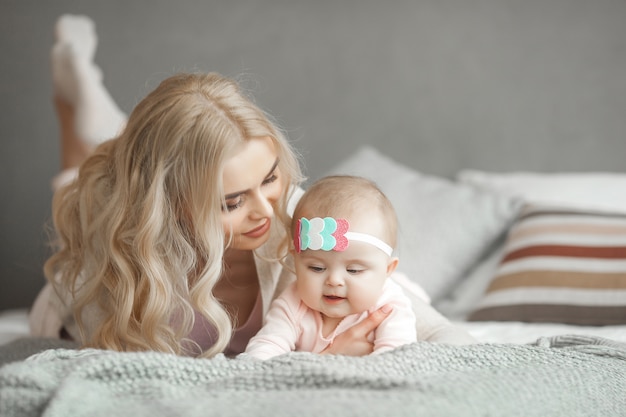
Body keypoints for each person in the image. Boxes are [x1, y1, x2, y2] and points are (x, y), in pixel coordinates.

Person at [28, 14, 404, 358]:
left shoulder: (294, 211)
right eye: (232, 202)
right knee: (80, 186)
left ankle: (98, 118)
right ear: (172, 205)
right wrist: (326, 357)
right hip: (95, 255)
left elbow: (402, 301)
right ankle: (75, 103)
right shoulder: (123, 266)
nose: (266, 210)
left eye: (270, 177)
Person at [245, 176, 419, 359]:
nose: (334, 280)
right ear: (296, 262)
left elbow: (398, 360)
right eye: (317, 268)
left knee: (413, 292)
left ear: (387, 270)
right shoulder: (293, 303)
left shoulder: (389, 307)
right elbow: (266, 348)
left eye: (353, 270)